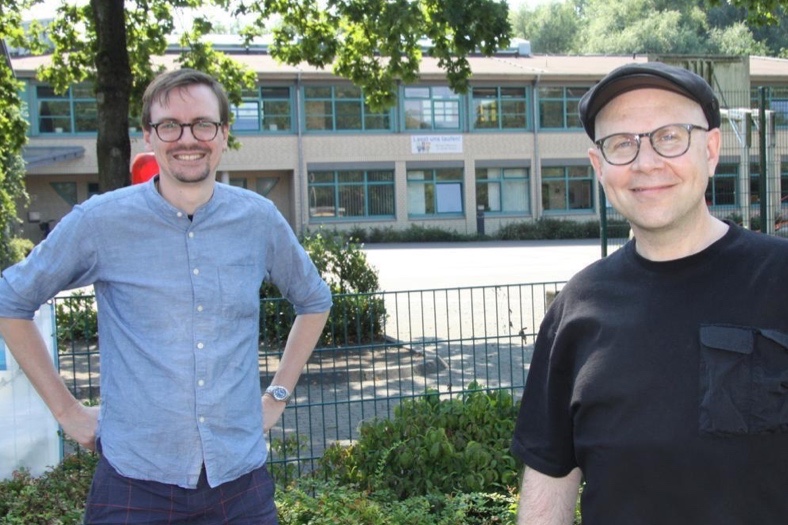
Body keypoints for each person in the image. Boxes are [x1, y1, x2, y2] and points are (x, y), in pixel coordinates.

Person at [0, 68, 332, 524]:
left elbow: (314, 300)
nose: (187, 138)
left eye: (202, 123)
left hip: (240, 484)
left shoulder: (259, 220)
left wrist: (276, 394)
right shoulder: (101, 221)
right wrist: (67, 411)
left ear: (223, 133)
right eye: (169, 125)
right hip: (133, 484)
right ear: (149, 136)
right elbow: (10, 300)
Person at [511, 61, 788, 524]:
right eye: (622, 144)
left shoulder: (780, 278)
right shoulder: (578, 307)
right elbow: (549, 480)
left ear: (712, 149)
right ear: (599, 167)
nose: (646, 162)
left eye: (670, 136)